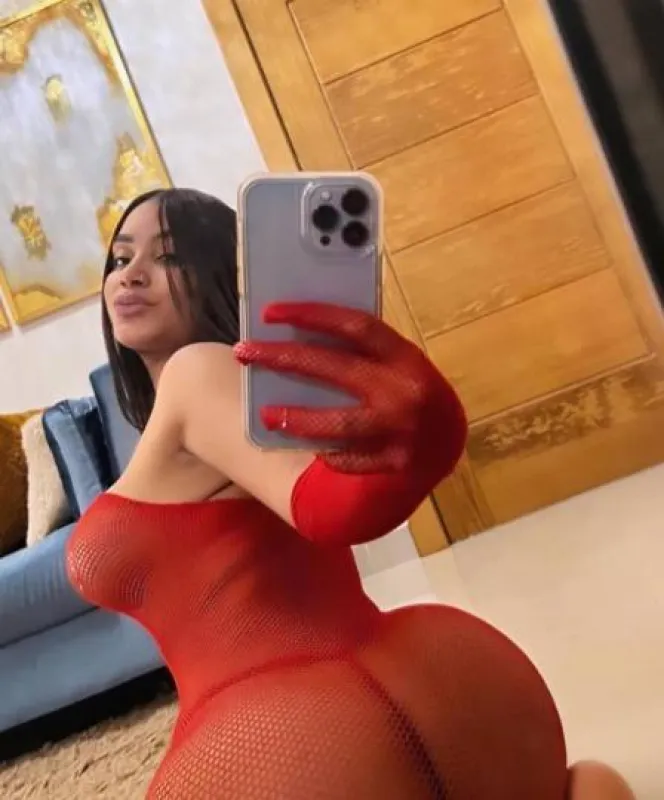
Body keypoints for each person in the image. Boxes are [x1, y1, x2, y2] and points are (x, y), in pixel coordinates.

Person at [66, 188, 635, 799]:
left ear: (223, 275)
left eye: (169, 256)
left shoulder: (197, 372)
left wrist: (422, 447)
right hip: (430, 683)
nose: (131, 274)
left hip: (291, 736)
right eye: (120, 258)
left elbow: (322, 504)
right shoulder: (239, 394)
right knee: (582, 785)